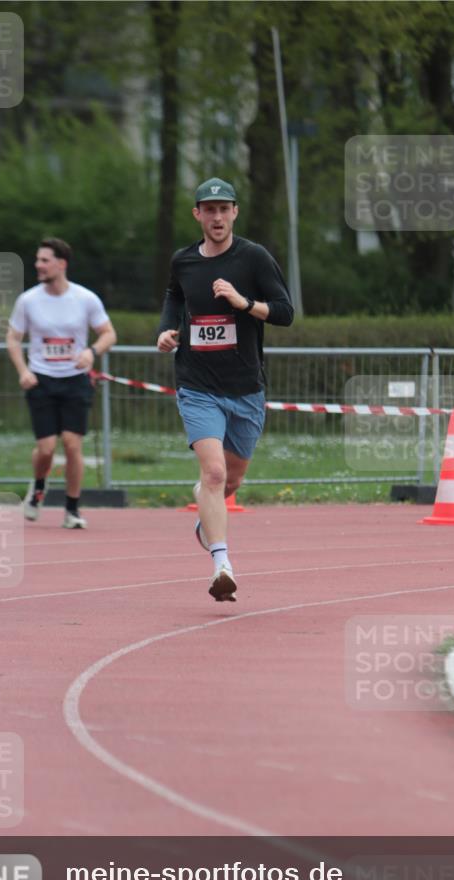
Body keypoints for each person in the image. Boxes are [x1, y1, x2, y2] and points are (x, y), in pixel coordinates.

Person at [157, 178, 294, 601]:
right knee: (213, 473)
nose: (217, 217)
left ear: (235, 212)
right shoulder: (183, 260)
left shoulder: (254, 258)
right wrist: (166, 329)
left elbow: (286, 313)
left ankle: (206, 518)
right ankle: (222, 565)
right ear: (197, 214)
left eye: (224, 209)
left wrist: (243, 303)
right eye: (208, 209)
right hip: (197, 385)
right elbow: (174, 295)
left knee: (230, 481)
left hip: (245, 389)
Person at [7, 237, 116, 528]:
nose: (38, 265)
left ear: (61, 264)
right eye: (38, 260)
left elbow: (108, 334)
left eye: (44, 260)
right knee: (45, 448)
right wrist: (23, 371)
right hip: (41, 380)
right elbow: (13, 338)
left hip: (75, 380)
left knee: (71, 445)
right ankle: (39, 486)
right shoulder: (28, 300)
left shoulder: (85, 298)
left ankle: (72, 509)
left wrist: (91, 352)